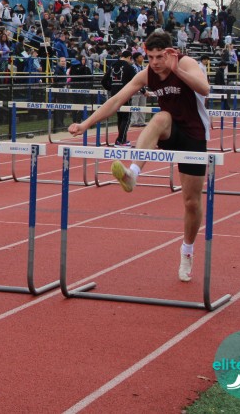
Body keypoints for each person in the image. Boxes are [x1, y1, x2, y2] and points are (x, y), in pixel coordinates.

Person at [68, 30, 210, 282]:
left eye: (159, 57)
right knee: (160, 117)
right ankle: (132, 173)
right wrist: (85, 124)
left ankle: (187, 250)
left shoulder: (186, 63)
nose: (154, 63)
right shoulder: (147, 74)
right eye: (150, 57)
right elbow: (116, 100)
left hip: (194, 135)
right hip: (169, 130)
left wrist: (177, 70)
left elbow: (204, 89)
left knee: (191, 202)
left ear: (171, 53)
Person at [102, 49, 137, 146]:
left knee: (120, 117)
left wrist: (111, 88)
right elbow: (136, 81)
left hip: (114, 95)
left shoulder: (112, 65)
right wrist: (143, 91)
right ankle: (121, 140)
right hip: (125, 94)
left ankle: (122, 139)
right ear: (129, 58)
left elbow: (103, 81)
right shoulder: (129, 67)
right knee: (126, 118)